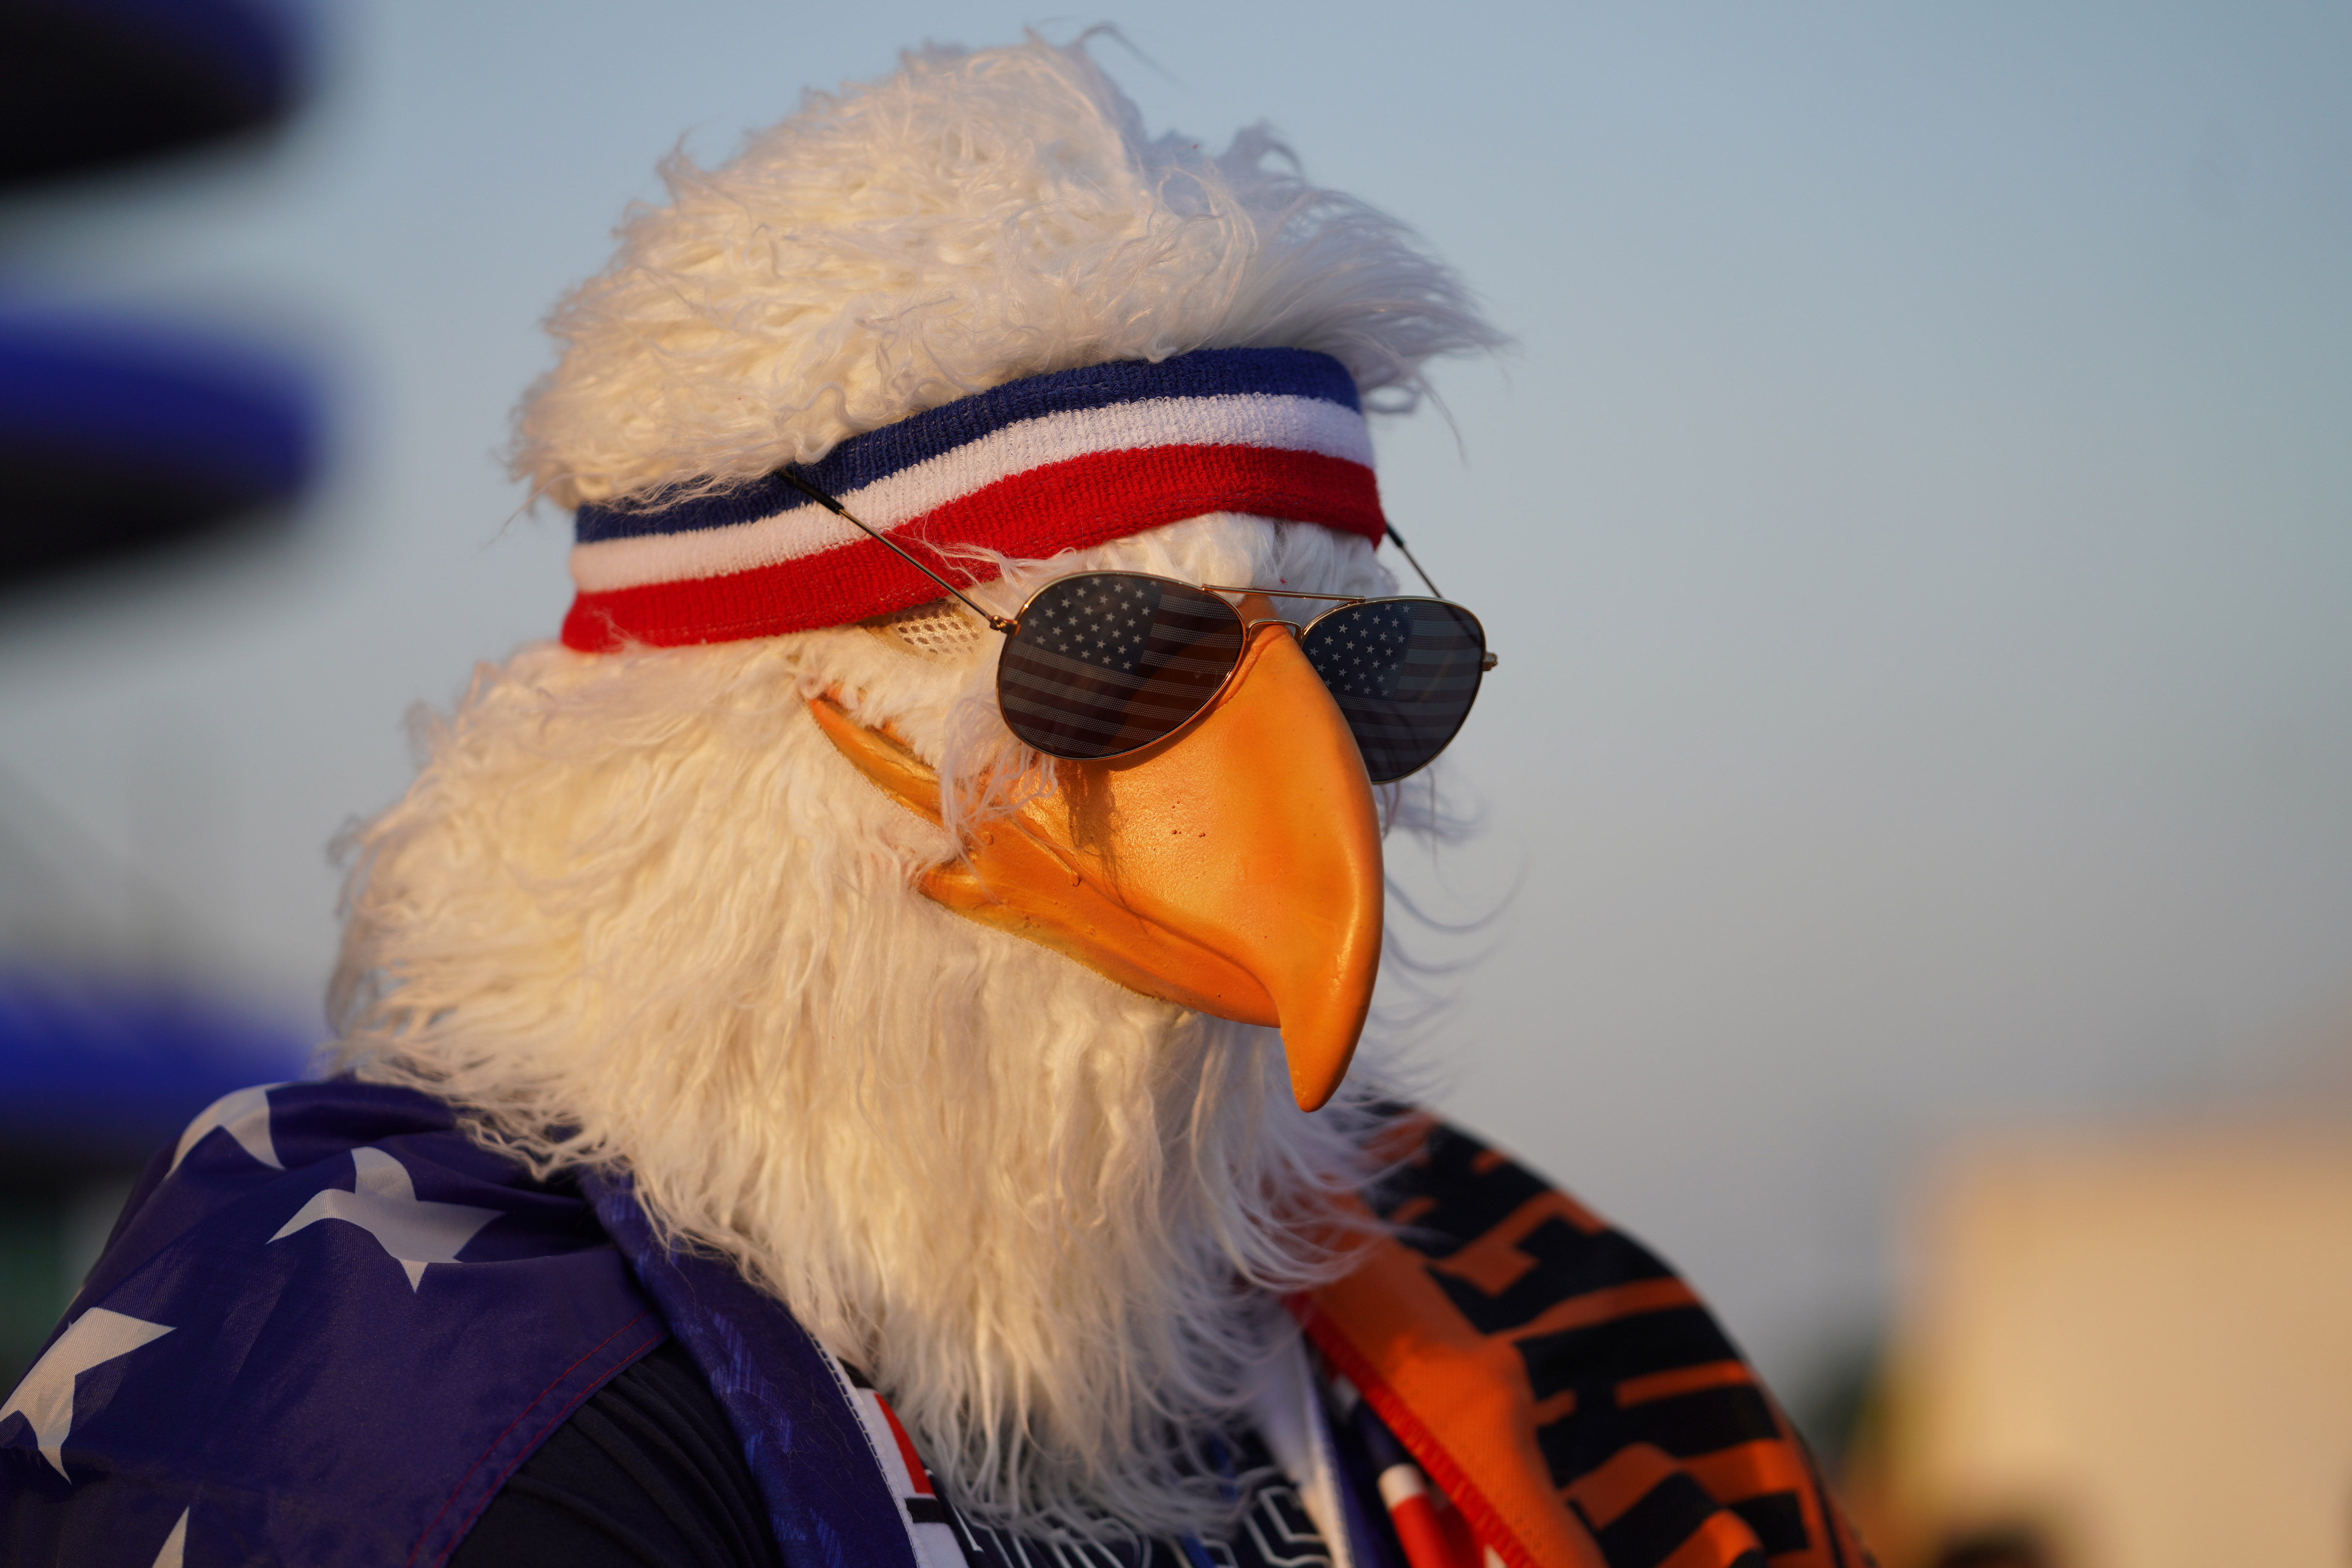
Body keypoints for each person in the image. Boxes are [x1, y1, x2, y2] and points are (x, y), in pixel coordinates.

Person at [0, 39, 1869, 1568]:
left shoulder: (1541, 1342)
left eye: (1369, 685)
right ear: (727, 734)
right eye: (1102, 664)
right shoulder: (404, 1396)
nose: (1311, 816)